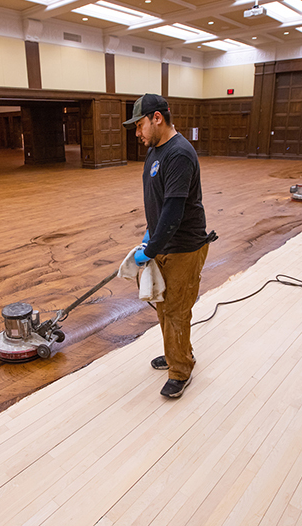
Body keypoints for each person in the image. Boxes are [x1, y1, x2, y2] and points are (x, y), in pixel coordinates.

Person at [123, 93, 214, 399]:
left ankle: (180, 370)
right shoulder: (155, 150)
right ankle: (177, 352)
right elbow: (159, 204)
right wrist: (151, 236)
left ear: (157, 118)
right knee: (163, 305)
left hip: (184, 246)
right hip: (163, 241)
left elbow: (174, 212)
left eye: (140, 125)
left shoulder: (179, 154)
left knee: (176, 310)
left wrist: (150, 249)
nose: (137, 133)